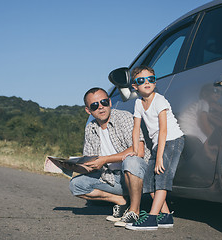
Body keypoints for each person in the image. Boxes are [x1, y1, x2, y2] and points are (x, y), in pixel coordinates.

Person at [69, 87, 150, 224]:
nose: (101, 107)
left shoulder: (124, 117)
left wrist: (105, 159)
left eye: (104, 102)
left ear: (110, 102)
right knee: (76, 185)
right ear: (88, 110)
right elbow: (91, 161)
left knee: (131, 161)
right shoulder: (91, 128)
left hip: (138, 174)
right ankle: (120, 200)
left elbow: (139, 151)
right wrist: (74, 166)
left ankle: (134, 211)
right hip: (111, 177)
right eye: (95, 106)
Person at [124, 66, 184, 231]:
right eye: (141, 80)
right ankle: (165, 215)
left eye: (151, 79)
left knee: (162, 178)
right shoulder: (138, 103)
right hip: (159, 144)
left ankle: (151, 218)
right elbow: (136, 129)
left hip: (172, 140)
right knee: (149, 181)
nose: (147, 83)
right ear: (135, 86)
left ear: (155, 81)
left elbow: (163, 130)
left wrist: (159, 157)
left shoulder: (160, 100)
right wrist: (135, 151)